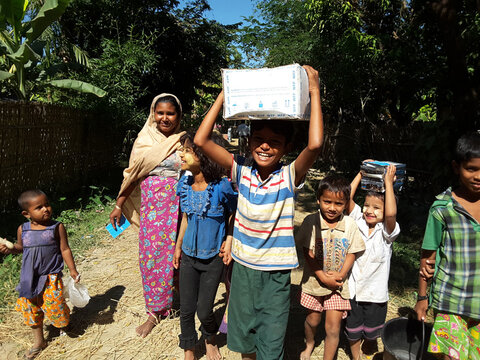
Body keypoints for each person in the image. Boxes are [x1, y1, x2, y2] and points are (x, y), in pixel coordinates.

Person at [194, 65, 324, 360]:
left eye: (275, 142)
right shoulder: (241, 172)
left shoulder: (289, 176)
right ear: (249, 141)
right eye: (259, 140)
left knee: (270, 342)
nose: (265, 146)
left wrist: (314, 90)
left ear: (287, 147)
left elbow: (315, 144)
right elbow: (201, 141)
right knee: (245, 341)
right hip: (242, 270)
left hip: (276, 276)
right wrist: (223, 97)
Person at [109, 93, 185, 337]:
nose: (164, 118)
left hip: (180, 207)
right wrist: (119, 205)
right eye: (160, 112)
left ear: (178, 116)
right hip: (153, 212)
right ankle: (154, 311)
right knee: (151, 258)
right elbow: (133, 175)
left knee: (179, 256)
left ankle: (177, 303)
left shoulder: (183, 141)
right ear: (153, 114)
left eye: (170, 113)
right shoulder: (144, 140)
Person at [415, 132, 480, 360]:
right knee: (451, 358)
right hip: (451, 300)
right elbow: (428, 257)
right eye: (471, 169)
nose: (478, 176)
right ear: (456, 167)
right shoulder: (443, 208)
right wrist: (422, 298)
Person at [172, 132, 236, 360]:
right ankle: (189, 350)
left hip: (213, 259)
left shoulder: (222, 187)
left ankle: (210, 338)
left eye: (187, 150)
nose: (181, 153)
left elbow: (233, 213)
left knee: (204, 309)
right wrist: (178, 247)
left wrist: (229, 240)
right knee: (187, 309)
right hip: (188, 255)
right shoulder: (185, 184)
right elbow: (186, 218)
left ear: (205, 156)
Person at [0, 190, 79, 359]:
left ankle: (64, 324)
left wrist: (73, 269)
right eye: (39, 207)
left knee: (55, 305)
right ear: (26, 214)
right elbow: (22, 248)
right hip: (29, 278)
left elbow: (64, 249)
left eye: (47, 204)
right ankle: (39, 341)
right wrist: (10, 249)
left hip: (51, 276)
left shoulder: (56, 227)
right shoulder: (23, 229)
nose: (46, 209)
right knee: (30, 308)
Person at [297, 175, 365, 360]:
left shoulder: (350, 225)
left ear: (346, 204)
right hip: (314, 283)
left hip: (338, 285)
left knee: (333, 326)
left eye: (339, 203)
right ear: (318, 199)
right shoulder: (311, 222)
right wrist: (322, 276)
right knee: (313, 320)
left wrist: (341, 275)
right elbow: (307, 252)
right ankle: (309, 343)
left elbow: (353, 251)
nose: (332, 208)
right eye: (327, 202)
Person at [345, 163, 400, 359]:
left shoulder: (386, 232)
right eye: (367, 205)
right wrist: (361, 174)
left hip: (376, 295)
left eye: (377, 208)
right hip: (353, 291)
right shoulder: (358, 220)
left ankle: (369, 342)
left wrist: (388, 183)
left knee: (371, 331)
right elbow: (346, 197)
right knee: (352, 328)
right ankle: (355, 355)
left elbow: (391, 214)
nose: (369, 210)